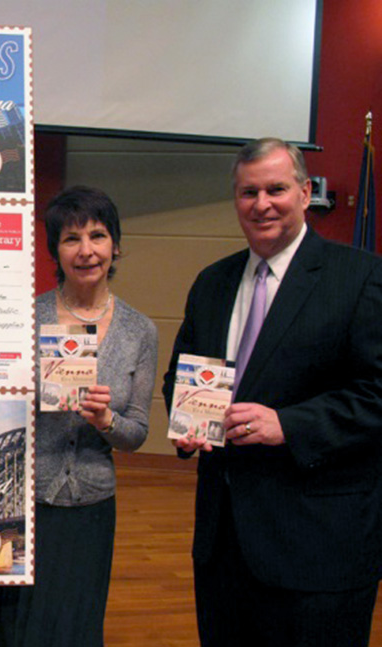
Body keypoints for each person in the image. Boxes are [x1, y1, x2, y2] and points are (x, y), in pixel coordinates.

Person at [164, 138, 382, 647]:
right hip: (223, 547)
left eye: (276, 189)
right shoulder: (212, 282)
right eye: (248, 192)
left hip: (318, 545)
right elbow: (183, 372)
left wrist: (290, 424)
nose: (262, 204)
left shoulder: (360, 277)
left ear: (305, 193)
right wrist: (188, 422)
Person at [0, 186, 157, 647]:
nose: (87, 251)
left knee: (70, 629)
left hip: (89, 507)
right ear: (55, 250)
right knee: (0, 629)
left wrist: (106, 421)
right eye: (71, 239)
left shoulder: (140, 330)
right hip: (17, 504)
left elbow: (138, 433)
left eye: (98, 236)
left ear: (116, 245)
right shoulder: (23, 317)